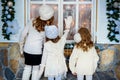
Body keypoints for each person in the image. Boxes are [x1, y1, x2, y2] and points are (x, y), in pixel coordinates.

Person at [19, 4, 55, 80]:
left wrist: (21, 47)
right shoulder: (47, 27)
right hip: (37, 51)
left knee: (27, 68)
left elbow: (23, 34)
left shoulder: (32, 20)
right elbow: (44, 42)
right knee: (35, 70)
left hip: (27, 49)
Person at [38, 16, 73, 80]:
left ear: (47, 35)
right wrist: (67, 26)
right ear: (56, 33)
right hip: (60, 66)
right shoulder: (61, 41)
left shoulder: (46, 45)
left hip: (51, 68)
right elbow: (65, 34)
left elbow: (44, 58)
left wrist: (41, 70)